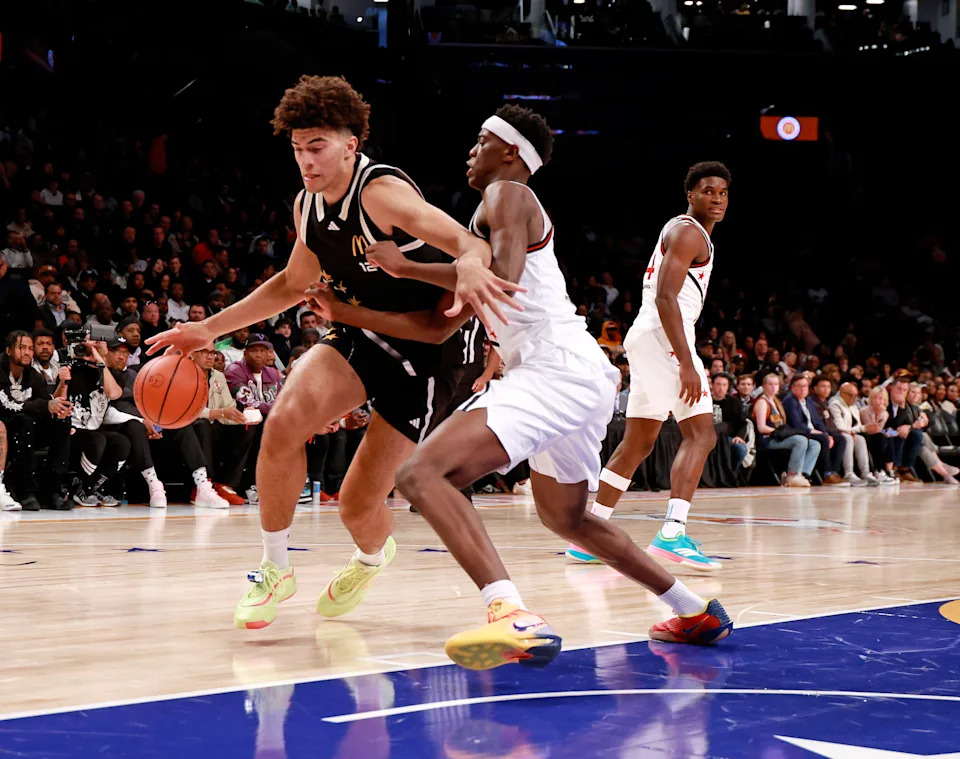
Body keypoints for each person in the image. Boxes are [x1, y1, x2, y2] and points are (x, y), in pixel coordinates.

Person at [307, 106, 733, 668]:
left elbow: (498, 280)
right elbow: (440, 324)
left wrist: (410, 269)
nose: (470, 150)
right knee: (568, 518)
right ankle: (693, 609)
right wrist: (346, 307)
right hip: (580, 374)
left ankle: (512, 614)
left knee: (420, 475)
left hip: (551, 366)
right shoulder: (490, 222)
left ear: (509, 153)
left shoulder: (507, 195)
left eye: (481, 140)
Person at [146, 75, 493, 631]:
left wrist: (472, 262)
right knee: (283, 422)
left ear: (351, 143)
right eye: (297, 149)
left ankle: (373, 556)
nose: (306, 161)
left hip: (426, 353)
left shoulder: (380, 193)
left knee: (358, 507)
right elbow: (292, 284)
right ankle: (275, 568)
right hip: (358, 331)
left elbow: (469, 243)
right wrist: (206, 329)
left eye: (318, 147)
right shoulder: (307, 204)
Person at [566, 162, 731, 570]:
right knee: (702, 434)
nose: (717, 198)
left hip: (649, 336)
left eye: (724, 192)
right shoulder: (688, 232)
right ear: (689, 194)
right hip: (664, 335)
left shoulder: (686, 232)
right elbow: (665, 298)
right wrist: (688, 362)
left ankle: (591, 534)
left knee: (639, 441)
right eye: (708, 191)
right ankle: (672, 533)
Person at [0, 331, 72, 510]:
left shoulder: (33, 375)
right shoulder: (0, 371)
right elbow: (6, 405)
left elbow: (45, 403)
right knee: (23, 422)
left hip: (29, 428)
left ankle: (55, 488)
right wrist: (45, 405)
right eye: (21, 348)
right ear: (9, 351)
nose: (27, 353)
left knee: (61, 421)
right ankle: (27, 491)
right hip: (7, 425)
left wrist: (58, 409)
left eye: (30, 349)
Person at [752, 373, 821, 487]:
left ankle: (803, 473)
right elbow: (761, 427)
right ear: (764, 386)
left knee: (815, 444)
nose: (773, 387)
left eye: (776, 384)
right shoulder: (762, 403)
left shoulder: (776, 402)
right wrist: (779, 432)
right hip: (768, 440)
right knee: (800, 440)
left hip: (779, 437)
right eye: (770, 384)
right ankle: (792, 474)